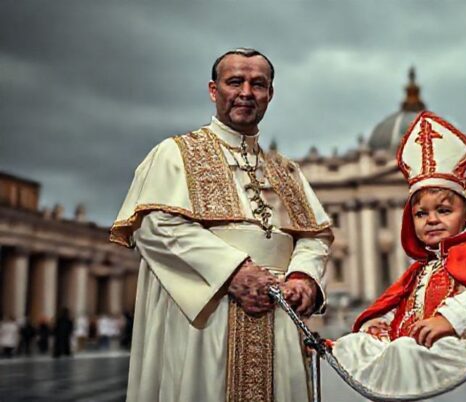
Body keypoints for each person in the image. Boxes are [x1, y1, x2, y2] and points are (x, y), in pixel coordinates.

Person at [110, 48, 333, 402]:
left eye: (257, 84)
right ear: (214, 90)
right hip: (208, 319)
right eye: (235, 82)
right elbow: (155, 227)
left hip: (279, 321)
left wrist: (304, 277)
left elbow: (315, 236)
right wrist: (233, 272)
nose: (246, 92)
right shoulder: (175, 153)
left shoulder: (286, 170)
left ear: (270, 94)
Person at [332, 112, 466, 395]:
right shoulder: (420, 270)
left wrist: (451, 319)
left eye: (443, 211)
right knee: (352, 346)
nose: (431, 220)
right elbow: (402, 309)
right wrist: (378, 325)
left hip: (459, 350)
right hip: (419, 348)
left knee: (404, 351)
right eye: (421, 214)